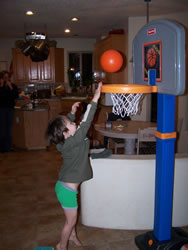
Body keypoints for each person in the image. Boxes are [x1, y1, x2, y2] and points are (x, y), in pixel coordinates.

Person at [46, 82, 102, 250]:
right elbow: (86, 124)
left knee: (71, 218)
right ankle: (62, 246)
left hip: (65, 187)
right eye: (71, 124)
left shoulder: (65, 141)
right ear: (66, 134)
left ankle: (73, 237)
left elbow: (71, 127)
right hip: (67, 190)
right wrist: (96, 98)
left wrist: (71, 113)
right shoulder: (73, 141)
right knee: (70, 221)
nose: (75, 123)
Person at [0, 71, 18, 152]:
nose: (6, 79)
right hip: (1, 109)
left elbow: (15, 96)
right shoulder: (0, 86)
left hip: (10, 109)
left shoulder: (13, 86)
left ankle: (9, 147)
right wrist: (1, 86)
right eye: (5, 77)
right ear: (2, 78)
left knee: (9, 128)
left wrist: (11, 87)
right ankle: (2, 147)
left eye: (8, 77)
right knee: (2, 128)